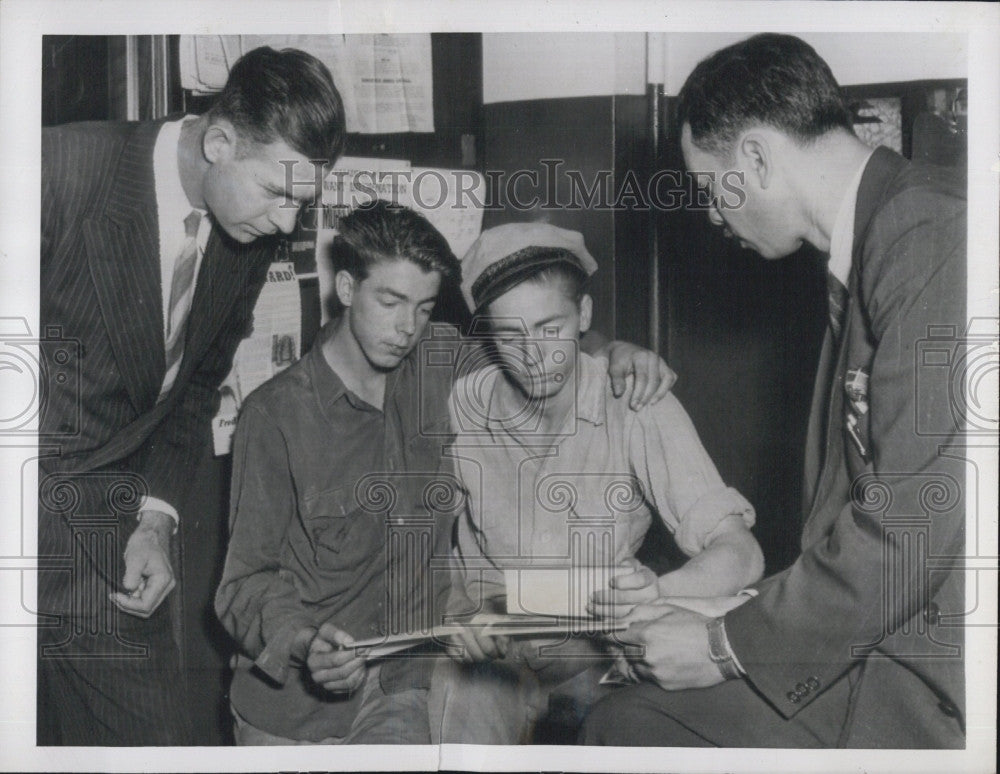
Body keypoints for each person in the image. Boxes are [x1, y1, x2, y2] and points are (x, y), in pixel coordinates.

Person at [581, 33, 966, 748]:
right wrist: (731, 611)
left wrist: (726, 644)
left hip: (931, 675)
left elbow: (912, 525)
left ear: (755, 157)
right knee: (624, 718)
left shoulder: (929, 233)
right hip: (882, 637)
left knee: (627, 728)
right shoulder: (880, 240)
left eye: (707, 189)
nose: (710, 217)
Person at [214, 203, 677, 745]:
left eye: (424, 306)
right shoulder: (274, 416)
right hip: (293, 712)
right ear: (345, 287)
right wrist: (305, 640)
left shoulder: (441, 360)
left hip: (404, 685)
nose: (405, 328)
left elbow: (537, 348)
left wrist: (612, 349)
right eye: (389, 301)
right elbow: (242, 586)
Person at [37, 46, 345, 745]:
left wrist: (156, 517)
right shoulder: (54, 172)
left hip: (104, 539)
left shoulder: (250, 226)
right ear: (218, 142)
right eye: (279, 192)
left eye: (305, 200)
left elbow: (196, 383)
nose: (289, 225)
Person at [428, 222, 764, 745]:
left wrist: (658, 592)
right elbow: (421, 540)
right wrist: (450, 610)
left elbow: (740, 553)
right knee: (455, 705)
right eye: (511, 335)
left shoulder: (634, 402)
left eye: (548, 328)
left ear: (583, 316)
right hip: (490, 660)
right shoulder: (458, 408)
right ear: (487, 334)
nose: (534, 356)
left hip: (599, 663)